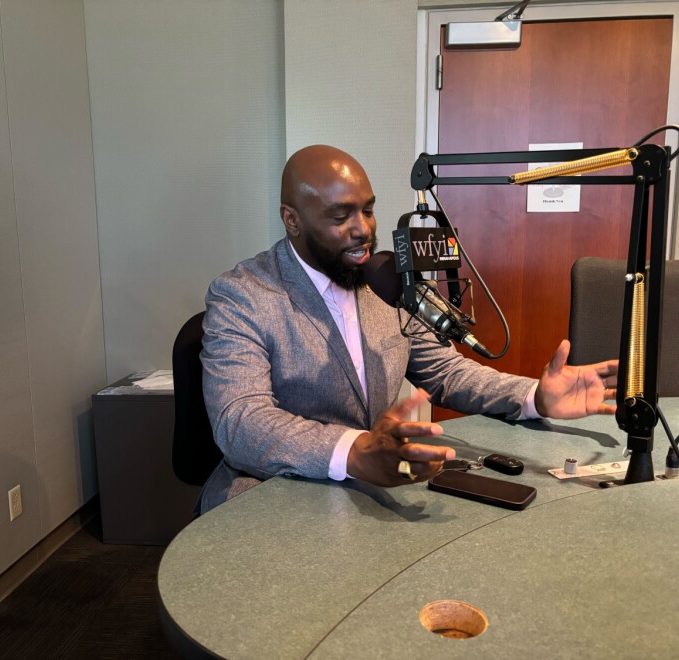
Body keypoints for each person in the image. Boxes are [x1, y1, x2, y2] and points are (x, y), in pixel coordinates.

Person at [198, 145, 617, 513]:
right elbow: (241, 420)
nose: (363, 229)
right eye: (340, 215)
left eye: (368, 209)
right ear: (292, 220)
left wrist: (532, 396)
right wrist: (351, 451)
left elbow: (445, 372)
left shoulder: (388, 283)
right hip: (270, 489)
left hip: (367, 486)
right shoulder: (243, 295)